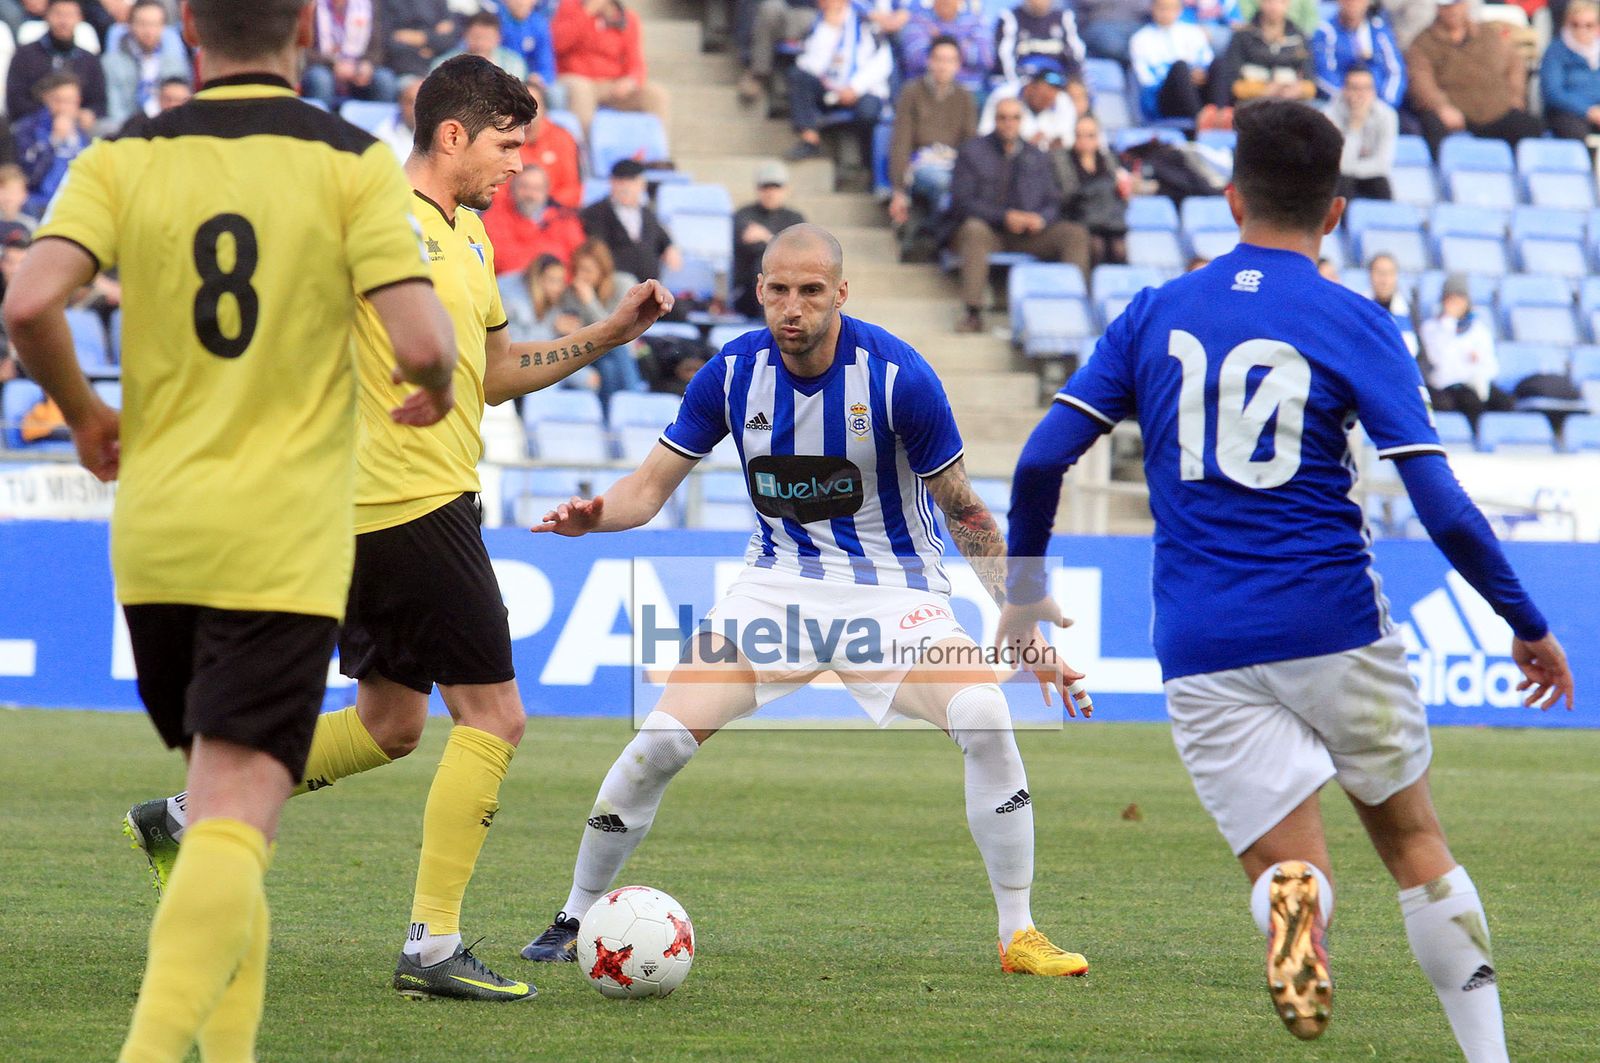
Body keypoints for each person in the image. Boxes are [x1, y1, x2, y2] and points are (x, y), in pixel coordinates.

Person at [1000, 99, 1571, 1058]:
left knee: (1290, 863)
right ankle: (1490, 1056)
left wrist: (1022, 591)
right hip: (1333, 619)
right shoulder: (1356, 321)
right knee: (1415, 846)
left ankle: (1289, 905)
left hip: (1200, 638)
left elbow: (1038, 463)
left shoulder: (1154, 311)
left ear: (1230, 198)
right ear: (1337, 211)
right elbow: (1440, 505)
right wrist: (1525, 619)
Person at [123, 53, 675, 1005]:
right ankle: (432, 945)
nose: (519, 166)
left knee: (389, 723)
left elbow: (495, 374)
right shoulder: (369, 213)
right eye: (506, 145)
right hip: (399, 506)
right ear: (452, 135)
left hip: (405, 507)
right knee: (494, 715)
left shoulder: (471, 235)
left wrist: (608, 337)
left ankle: (186, 815)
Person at [4, 0, 458, 1057]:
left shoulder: (122, 157)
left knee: (228, 803)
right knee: (235, 813)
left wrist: (84, 413)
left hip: (158, 529)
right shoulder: (349, 161)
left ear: (189, 30)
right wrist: (431, 384)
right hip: (280, 533)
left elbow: (29, 305)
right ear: (305, 23)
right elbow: (423, 338)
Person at [518, 223, 1093, 981]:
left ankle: (1018, 932)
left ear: (841, 294)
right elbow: (646, 491)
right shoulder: (729, 374)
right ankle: (575, 912)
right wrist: (598, 516)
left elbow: (964, 510)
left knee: (986, 716)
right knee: (658, 741)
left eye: (812, 291)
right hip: (773, 591)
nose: (794, 307)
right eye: (780, 290)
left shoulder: (898, 378)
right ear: (759, 291)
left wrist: (1019, 617)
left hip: (894, 594)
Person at [947, 95, 1091, 333]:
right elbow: (962, 203)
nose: (1009, 123)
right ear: (995, 120)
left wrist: (1041, 218)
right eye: (1003, 118)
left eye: (1014, 118)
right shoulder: (972, 151)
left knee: (1074, 234)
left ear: (1021, 121)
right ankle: (973, 312)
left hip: (1031, 233)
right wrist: (1004, 216)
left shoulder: (1037, 155)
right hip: (990, 232)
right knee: (973, 230)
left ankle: (1074, 308)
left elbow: (1053, 202)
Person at [1405, 0, 1539, 155]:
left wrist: (1515, 98)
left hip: (1495, 110)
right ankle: (1443, 174)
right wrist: (1440, 107)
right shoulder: (1423, 43)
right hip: (1454, 112)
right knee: (1432, 127)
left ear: (1466, 5)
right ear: (1438, 8)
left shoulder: (1488, 35)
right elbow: (1421, 81)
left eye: (1457, 4)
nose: (1452, 11)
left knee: (1529, 127)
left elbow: (1515, 64)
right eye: (1447, 6)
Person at [888, 34, 977, 231]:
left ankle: (935, 232)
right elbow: (901, 142)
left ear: (958, 64)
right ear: (929, 61)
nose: (943, 66)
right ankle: (939, 234)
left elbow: (971, 143)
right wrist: (898, 190)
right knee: (944, 183)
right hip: (922, 162)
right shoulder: (911, 92)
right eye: (939, 59)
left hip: (954, 163)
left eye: (950, 60)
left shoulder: (965, 96)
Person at [786, 0, 891, 165]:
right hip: (829, 89)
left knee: (869, 112)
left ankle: (866, 163)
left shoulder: (866, 20)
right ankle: (810, 139)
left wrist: (854, 87)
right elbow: (809, 65)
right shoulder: (818, 23)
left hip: (862, 91)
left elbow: (883, 61)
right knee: (798, 77)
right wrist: (828, 29)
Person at [551, 0, 669, 131]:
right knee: (582, 90)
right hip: (576, 77)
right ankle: (583, 148)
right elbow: (557, 44)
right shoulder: (570, 6)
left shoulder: (627, 18)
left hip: (612, 84)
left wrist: (631, 81)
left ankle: (654, 149)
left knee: (656, 95)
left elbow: (637, 63)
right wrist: (587, 12)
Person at [558, 237, 648, 406]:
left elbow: (617, 331)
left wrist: (589, 302)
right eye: (577, 270)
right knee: (610, 358)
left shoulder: (623, 284)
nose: (580, 276)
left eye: (587, 270)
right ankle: (633, 404)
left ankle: (617, 414)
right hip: (589, 352)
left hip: (619, 351)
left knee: (610, 364)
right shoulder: (572, 293)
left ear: (602, 268)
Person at [1418, 272, 1512, 428]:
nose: (1455, 303)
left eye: (1460, 298)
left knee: (1506, 402)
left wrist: (1477, 370)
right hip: (1445, 386)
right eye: (1451, 298)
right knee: (1468, 401)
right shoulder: (1431, 328)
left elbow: (1491, 366)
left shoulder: (1479, 330)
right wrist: (1449, 326)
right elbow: (1438, 362)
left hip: (1476, 384)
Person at [580, 158, 682, 281]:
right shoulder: (596, 213)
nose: (626, 188)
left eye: (631, 181)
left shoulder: (646, 213)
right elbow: (598, 248)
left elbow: (661, 236)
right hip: (616, 281)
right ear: (612, 183)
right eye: (621, 182)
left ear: (642, 184)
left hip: (649, 283)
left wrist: (669, 247)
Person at [1207, 0, 1315, 115]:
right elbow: (1232, 84)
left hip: (1291, 106)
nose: (1274, 6)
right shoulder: (1242, 36)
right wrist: (1265, 90)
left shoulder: (1299, 38)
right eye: (1269, 2)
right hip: (1251, 107)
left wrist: (1298, 90)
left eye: (1280, 2)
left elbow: (1310, 84)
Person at [5, 0, 105, 122]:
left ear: (80, 18)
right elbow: (16, 100)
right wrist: (52, 115)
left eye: (69, 15)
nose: (64, 21)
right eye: (58, 14)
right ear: (47, 16)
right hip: (33, 125)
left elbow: (99, 102)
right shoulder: (25, 55)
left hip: (78, 124)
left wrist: (87, 114)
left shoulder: (89, 60)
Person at [100, 0, 191, 131]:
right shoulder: (111, 63)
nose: (149, 31)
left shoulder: (175, 62)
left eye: (155, 24)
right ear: (130, 25)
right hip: (127, 131)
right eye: (143, 24)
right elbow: (114, 109)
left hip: (168, 129)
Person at [481, 162, 587, 275]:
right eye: (524, 187)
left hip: (559, 285)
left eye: (537, 188)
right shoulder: (496, 217)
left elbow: (580, 258)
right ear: (512, 189)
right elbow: (501, 261)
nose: (530, 194)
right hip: (515, 283)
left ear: (547, 191)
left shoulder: (564, 219)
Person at [732, 160, 805, 317]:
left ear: (786, 189)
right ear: (757, 189)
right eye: (765, 187)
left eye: (776, 187)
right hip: (749, 293)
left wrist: (766, 237)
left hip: (790, 288)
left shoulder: (795, 218)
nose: (770, 192)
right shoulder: (744, 215)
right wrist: (783, 243)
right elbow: (752, 247)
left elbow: (801, 251)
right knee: (764, 262)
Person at [1056, 113, 1129, 266]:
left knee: (1119, 249)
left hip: (1109, 221)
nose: (1084, 140)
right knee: (1096, 246)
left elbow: (1119, 194)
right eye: (1079, 135)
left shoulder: (1109, 160)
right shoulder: (1064, 160)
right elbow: (1067, 194)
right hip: (1079, 218)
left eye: (1090, 135)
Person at [16, 71, 89, 216]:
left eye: (69, 101)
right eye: (58, 100)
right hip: (40, 202)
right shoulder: (29, 128)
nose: (63, 107)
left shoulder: (84, 134)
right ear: (46, 99)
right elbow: (29, 176)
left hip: (77, 201)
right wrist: (54, 141)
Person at [1130, 0, 1215, 121]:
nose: (1166, 13)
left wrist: (1200, 73)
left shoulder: (1194, 32)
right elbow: (1147, 79)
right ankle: (1200, 120)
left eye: (1172, 8)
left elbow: (1207, 60)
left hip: (1198, 90)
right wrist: (1184, 76)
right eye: (1162, 8)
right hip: (1164, 98)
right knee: (1180, 67)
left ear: (1180, 10)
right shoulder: (1140, 39)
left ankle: (1220, 114)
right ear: (1152, 8)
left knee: (1219, 63)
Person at [302, 0, 399, 105]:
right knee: (320, 79)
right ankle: (320, 121)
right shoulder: (311, 5)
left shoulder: (369, 4)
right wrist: (333, 64)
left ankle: (383, 121)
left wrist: (367, 64)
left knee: (384, 80)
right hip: (322, 65)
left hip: (358, 66)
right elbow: (303, 49)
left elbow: (378, 47)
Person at [1311, 0, 1405, 106]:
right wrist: (1350, 102)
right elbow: (1323, 74)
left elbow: (1395, 71)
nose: (1353, 3)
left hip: (1380, 104)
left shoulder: (1379, 30)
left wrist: (1385, 104)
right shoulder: (1325, 32)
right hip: (1339, 105)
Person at [1323, 63, 1395, 200]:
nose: (1361, 94)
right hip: (1339, 178)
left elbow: (1383, 164)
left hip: (1370, 174)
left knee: (1381, 183)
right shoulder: (1330, 115)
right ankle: (1342, 221)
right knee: (1342, 182)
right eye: (1355, 88)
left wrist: (1353, 169)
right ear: (1344, 90)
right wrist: (1355, 126)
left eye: (1366, 88)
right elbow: (1339, 165)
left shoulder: (1387, 115)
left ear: (1373, 91)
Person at [900, 0, 992, 92]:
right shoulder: (918, 20)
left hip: (970, 90)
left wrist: (939, 40)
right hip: (926, 93)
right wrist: (964, 45)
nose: (946, 1)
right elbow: (917, 59)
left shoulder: (976, 21)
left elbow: (985, 58)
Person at [1540, 0, 1600, 140]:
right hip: (1567, 113)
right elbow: (1553, 92)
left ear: (1598, 27)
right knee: (1574, 130)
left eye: (1588, 25)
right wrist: (1588, 110)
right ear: (1567, 23)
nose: (1582, 30)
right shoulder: (1556, 51)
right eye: (1576, 25)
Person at [978, 65, 1077, 150]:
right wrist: (1023, 143)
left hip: (1048, 157)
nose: (1048, 102)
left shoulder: (1062, 99)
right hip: (1006, 153)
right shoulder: (1003, 95)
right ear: (1030, 87)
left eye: (1051, 98)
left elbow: (1068, 138)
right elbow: (985, 132)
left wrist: (1053, 141)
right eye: (1043, 97)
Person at [518, 77, 582, 207]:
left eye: (533, 105)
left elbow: (573, 189)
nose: (527, 112)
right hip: (508, 216)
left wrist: (546, 205)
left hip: (554, 214)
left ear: (544, 109)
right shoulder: (502, 139)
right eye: (521, 105)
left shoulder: (563, 138)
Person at [993, 0, 1087, 83]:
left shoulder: (1065, 17)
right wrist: (1015, 84)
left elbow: (1077, 55)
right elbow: (1004, 56)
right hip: (1021, 80)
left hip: (1056, 82)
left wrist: (1072, 81)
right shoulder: (1010, 17)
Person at [501, 251, 578, 341]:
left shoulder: (551, 299)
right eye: (553, 280)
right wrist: (553, 330)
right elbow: (514, 343)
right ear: (537, 279)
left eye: (561, 281)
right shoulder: (511, 301)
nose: (559, 287)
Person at [432, 10, 529, 79]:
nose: (481, 42)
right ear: (465, 35)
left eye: (487, 37)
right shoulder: (444, 64)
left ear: (498, 38)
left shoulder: (514, 63)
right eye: (476, 36)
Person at [382, 0, 459, 77]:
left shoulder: (439, 3)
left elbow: (450, 37)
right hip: (402, 66)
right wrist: (420, 50)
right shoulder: (387, 3)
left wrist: (423, 38)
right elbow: (387, 40)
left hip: (437, 58)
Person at [1366, 250, 1416, 352]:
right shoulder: (1359, 308)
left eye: (1390, 273)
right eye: (1380, 273)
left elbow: (1422, 356)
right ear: (1370, 275)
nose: (1385, 280)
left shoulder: (1409, 309)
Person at [374, 72, 421, 160]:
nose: (416, 109)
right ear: (400, 103)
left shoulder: (445, 134)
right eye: (410, 102)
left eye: (422, 103)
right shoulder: (384, 133)